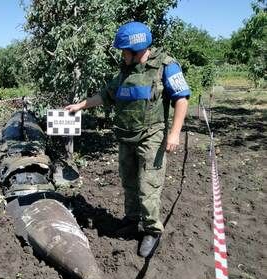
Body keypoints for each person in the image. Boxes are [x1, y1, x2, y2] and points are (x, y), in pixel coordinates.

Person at [65, 21, 190, 258]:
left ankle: (152, 231)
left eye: (124, 51)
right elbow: (105, 95)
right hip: (126, 137)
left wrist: (174, 134)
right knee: (129, 182)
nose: (122, 56)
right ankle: (132, 220)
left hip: (151, 138)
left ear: (137, 50)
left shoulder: (166, 67)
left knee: (148, 186)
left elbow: (182, 99)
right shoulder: (124, 72)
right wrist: (80, 106)